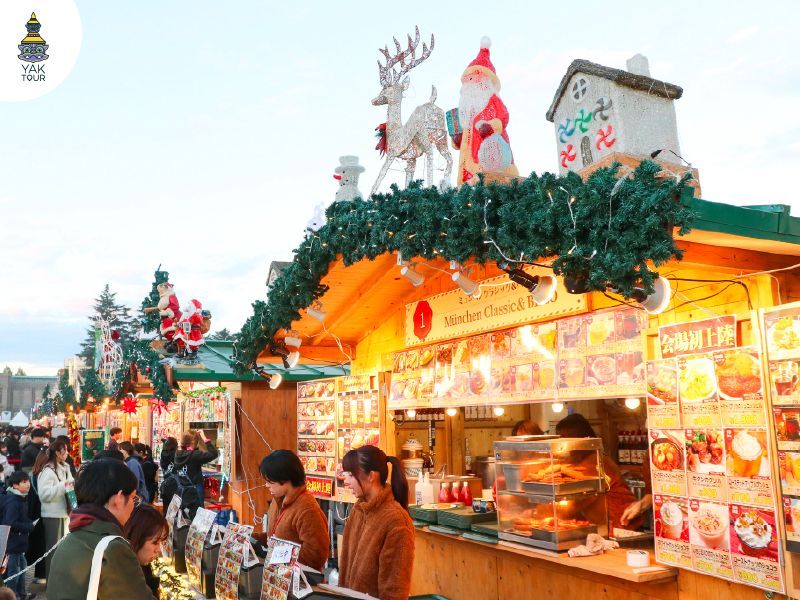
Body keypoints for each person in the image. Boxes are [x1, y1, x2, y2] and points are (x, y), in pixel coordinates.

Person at [46, 459, 154, 599]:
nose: (134, 505)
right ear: (118, 499)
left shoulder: (70, 538)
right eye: (133, 498)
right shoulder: (113, 548)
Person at [339, 445, 414, 600]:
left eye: (351, 475)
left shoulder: (396, 520)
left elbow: (395, 590)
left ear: (372, 476)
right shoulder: (358, 509)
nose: (346, 481)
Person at [555, 413, 641, 530]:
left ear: (577, 438)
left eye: (563, 437)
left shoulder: (596, 461)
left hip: (621, 522)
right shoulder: (579, 460)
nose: (560, 443)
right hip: (606, 523)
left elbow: (582, 498)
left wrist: (545, 512)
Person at [255, 450, 329, 571]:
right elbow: (276, 536)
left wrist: (280, 551)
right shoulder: (277, 499)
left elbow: (316, 556)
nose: (266, 485)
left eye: (270, 481)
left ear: (284, 479)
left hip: (299, 581)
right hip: (277, 576)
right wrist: (253, 538)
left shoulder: (307, 508)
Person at [34, 439, 75, 580]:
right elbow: (44, 495)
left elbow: (69, 487)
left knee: (63, 550)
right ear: (57, 452)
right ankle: (52, 583)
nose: (67, 453)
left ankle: (61, 581)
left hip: (65, 513)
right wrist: (63, 485)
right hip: (53, 515)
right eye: (65, 450)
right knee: (53, 550)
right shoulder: (48, 470)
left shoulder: (65, 467)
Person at [122, 503, 169, 596]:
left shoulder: (140, 569)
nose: (158, 550)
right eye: (155, 542)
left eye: (161, 542)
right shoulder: (124, 578)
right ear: (137, 537)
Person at [1, 471, 34, 600]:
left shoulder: (20, 497)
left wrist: (28, 523)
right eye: (24, 482)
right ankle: (12, 596)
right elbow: (10, 522)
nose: (28, 484)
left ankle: (21, 594)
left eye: (28, 481)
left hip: (18, 543)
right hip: (13, 544)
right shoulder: (13, 501)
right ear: (15, 485)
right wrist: (28, 526)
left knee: (22, 568)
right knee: (14, 572)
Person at [174, 431, 218, 504]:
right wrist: (204, 438)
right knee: (198, 512)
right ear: (193, 442)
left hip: (181, 489)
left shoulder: (177, 454)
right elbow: (214, 454)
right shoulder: (195, 455)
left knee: (184, 513)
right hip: (195, 489)